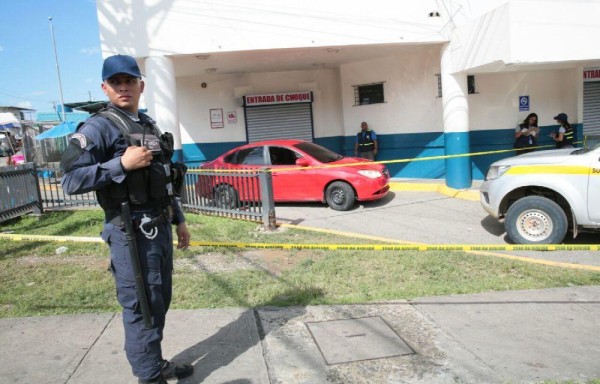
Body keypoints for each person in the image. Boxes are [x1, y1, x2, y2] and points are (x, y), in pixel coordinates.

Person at [61, 54, 193, 384]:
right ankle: (149, 378)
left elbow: (163, 178)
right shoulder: (98, 127)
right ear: (105, 87)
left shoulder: (147, 125)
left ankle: (155, 363)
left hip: (159, 228)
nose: (123, 87)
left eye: (129, 80)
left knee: (159, 300)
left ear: (141, 86)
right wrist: (120, 165)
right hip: (130, 233)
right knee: (141, 308)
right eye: (116, 82)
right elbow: (70, 181)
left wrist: (179, 219)